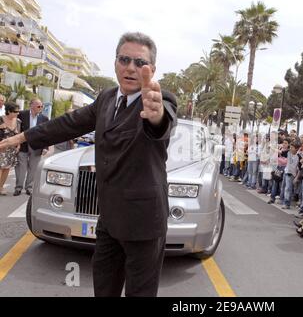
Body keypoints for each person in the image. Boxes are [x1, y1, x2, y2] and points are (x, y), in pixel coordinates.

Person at [0, 32, 177, 296]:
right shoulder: (106, 98)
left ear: (152, 69)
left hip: (143, 223)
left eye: (139, 63)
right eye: (124, 59)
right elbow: (69, 124)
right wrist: (23, 137)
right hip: (108, 219)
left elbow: (162, 124)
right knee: (104, 287)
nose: (130, 68)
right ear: (115, 62)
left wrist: (157, 116)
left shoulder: (157, 100)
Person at [14, 98, 49, 196]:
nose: (41, 108)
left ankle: (29, 187)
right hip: (23, 145)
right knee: (21, 167)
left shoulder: (44, 118)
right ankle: (18, 188)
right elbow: (17, 128)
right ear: (32, 105)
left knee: (33, 168)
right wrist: (16, 143)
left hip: (37, 146)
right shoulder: (21, 114)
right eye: (39, 106)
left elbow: (46, 134)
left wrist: (46, 147)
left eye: (42, 106)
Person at [0, 103, 21, 195]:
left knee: (7, 168)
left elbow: (19, 135)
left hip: (12, 149)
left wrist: (18, 145)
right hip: (1, 147)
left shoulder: (18, 121)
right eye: (15, 111)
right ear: (8, 111)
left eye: (18, 111)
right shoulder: (0, 119)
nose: (17, 113)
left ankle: (1, 187)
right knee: (0, 168)